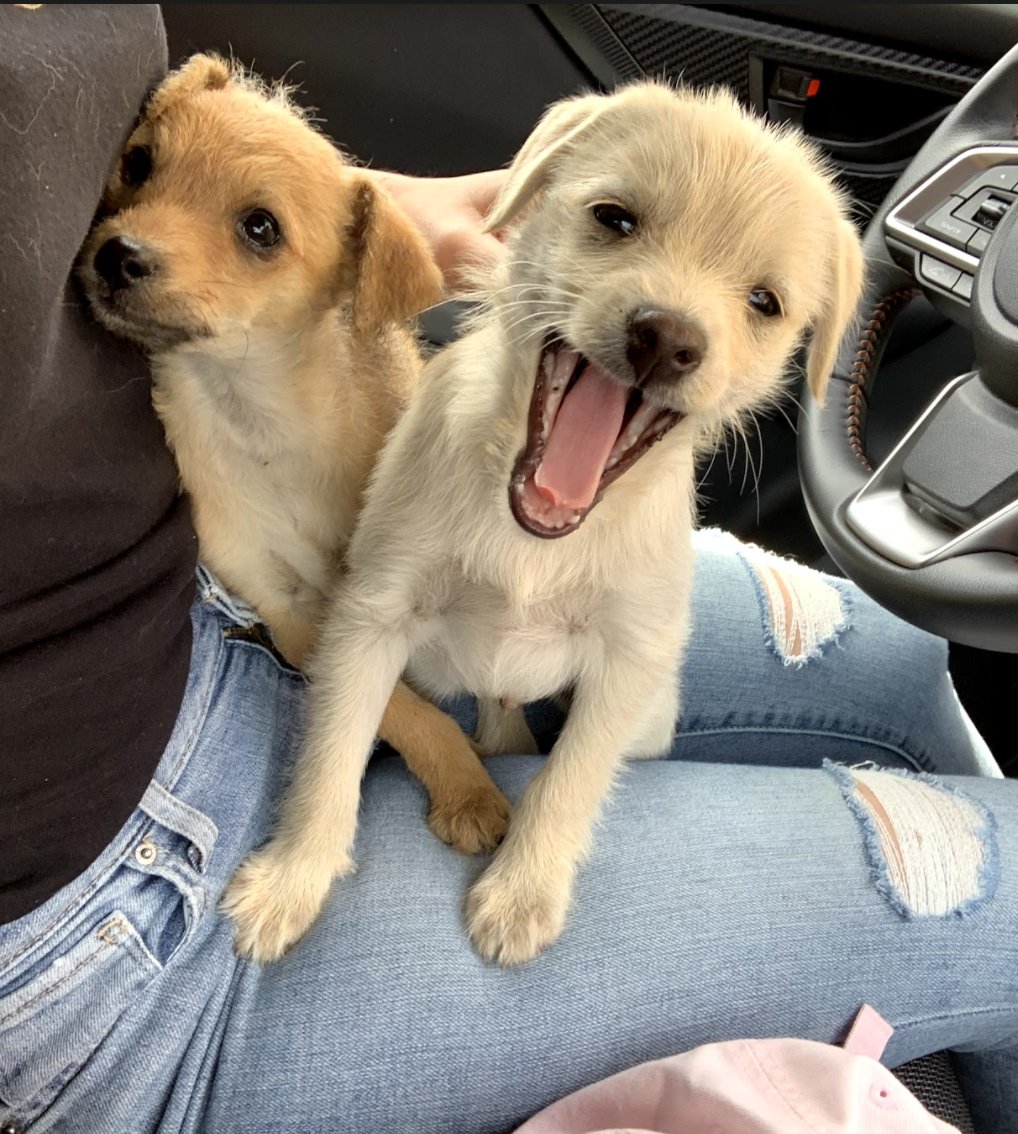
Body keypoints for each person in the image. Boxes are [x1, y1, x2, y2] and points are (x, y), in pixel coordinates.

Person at [1, 7, 1015, 1134]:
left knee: (897, 667)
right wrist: (343, 833)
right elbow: (375, 614)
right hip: (103, 909)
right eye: (616, 221)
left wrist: (348, 212)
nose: (674, 320)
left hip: (206, 609)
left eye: (764, 305)